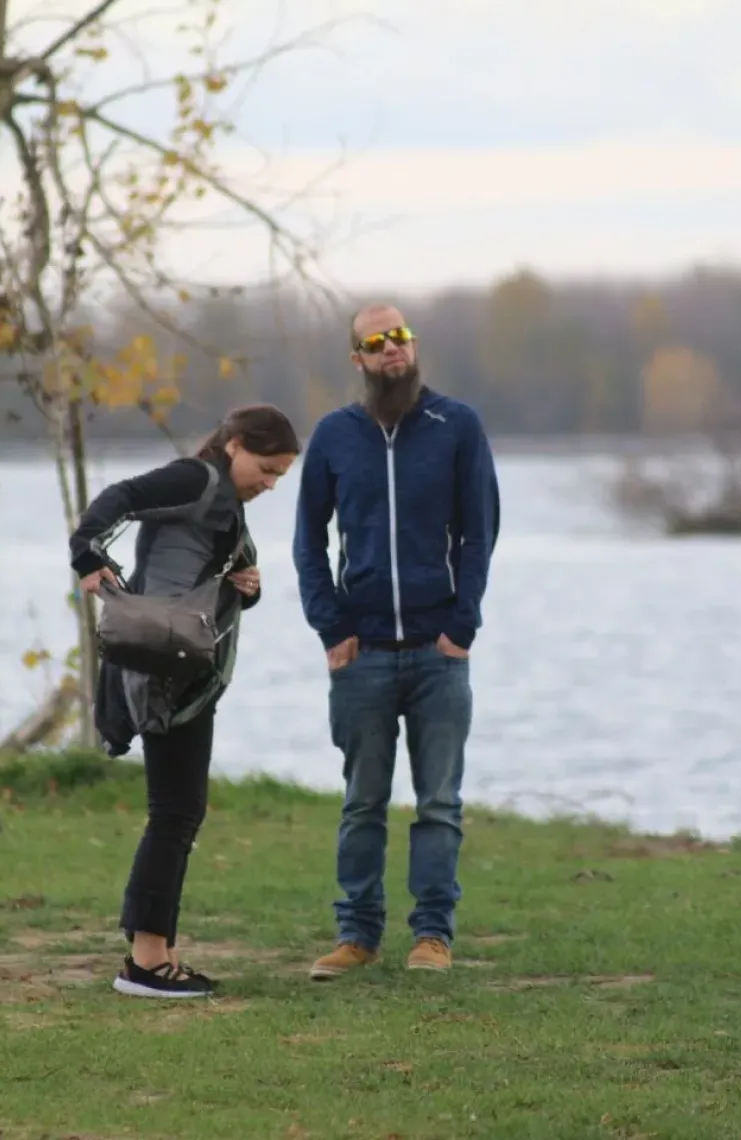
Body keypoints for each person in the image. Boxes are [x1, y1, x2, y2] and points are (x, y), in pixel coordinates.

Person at [292, 303, 500, 979]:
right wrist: (332, 627)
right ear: (357, 359)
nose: (393, 350)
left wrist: (462, 625)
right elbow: (307, 542)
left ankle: (432, 936)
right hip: (364, 656)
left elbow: (479, 531)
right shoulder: (333, 436)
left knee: (439, 802)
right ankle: (357, 936)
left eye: (401, 337)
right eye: (377, 342)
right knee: (362, 803)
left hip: (440, 653)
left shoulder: (456, 426)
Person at [69, 405, 300, 998]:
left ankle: (156, 953)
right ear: (237, 444)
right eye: (267, 469)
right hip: (164, 669)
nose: (270, 484)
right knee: (174, 813)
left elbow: (203, 571)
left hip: (183, 669)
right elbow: (120, 495)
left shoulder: (220, 495)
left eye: (280, 477)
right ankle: (146, 963)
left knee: (179, 812)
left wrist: (244, 586)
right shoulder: (197, 479)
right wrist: (86, 556)